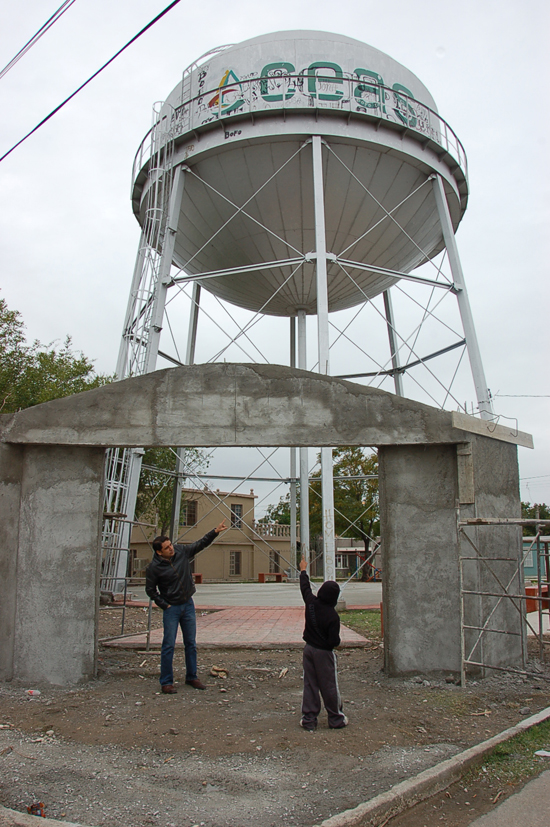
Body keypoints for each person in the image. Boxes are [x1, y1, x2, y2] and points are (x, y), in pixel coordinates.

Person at [145, 521, 228, 693]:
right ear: (159, 552)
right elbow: (150, 590)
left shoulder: (181, 552)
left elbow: (200, 544)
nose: (171, 548)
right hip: (171, 608)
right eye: (167, 547)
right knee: (168, 644)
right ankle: (166, 681)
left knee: (190, 643)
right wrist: (164, 604)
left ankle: (192, 677)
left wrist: (215, 531)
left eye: (170, 545)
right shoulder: (154, 568)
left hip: (188, 604)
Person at [298, 556, 348, 731]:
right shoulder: (332, 616)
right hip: (324, 654)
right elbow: (334, 641)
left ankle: (309, 719)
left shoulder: (311, 603)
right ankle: (335, 718)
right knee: (329, 685)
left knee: (310, 684)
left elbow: (304, 588)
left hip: (308, 650)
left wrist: (303, 570)